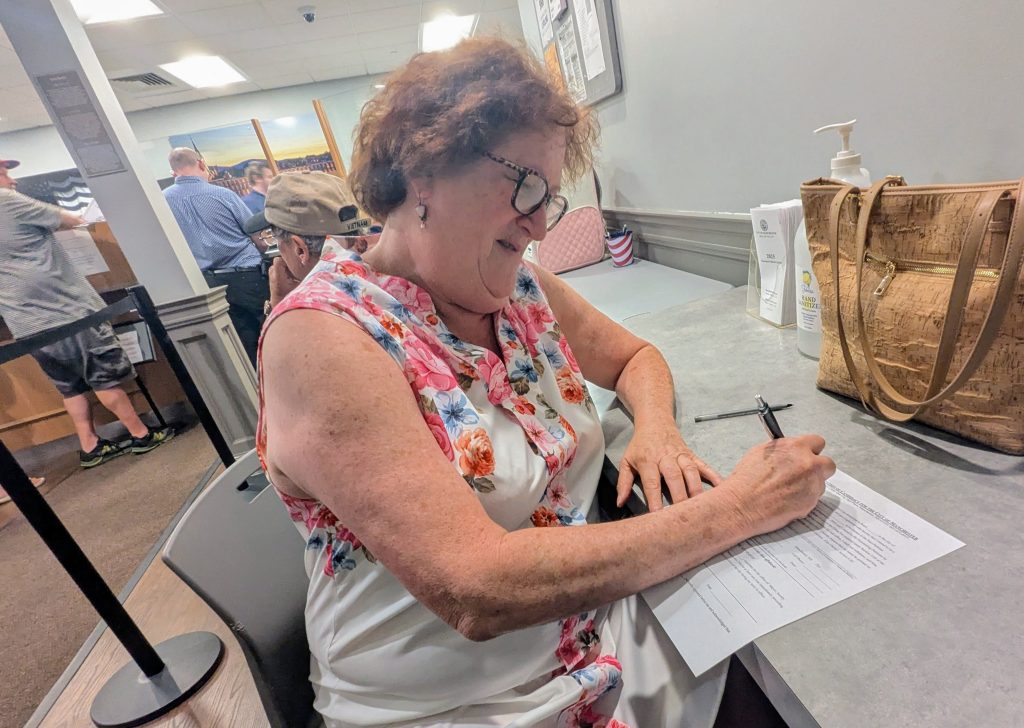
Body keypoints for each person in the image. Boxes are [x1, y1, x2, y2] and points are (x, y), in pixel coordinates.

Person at [258, 39, 833, 727]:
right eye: (523, 183)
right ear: (421, 168)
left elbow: (635, 357)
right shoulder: (322, 338)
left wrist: (656, 431)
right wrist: (740, 507)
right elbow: (476, 587)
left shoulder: (520, 288)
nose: (537, 223)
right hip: (451, 705)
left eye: (549, 196)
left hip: (589, 643)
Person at [0, 158, 174, 468]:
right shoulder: (6, 200)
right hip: (67, 311)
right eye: (4, 174)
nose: (12, 181)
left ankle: (91, 445)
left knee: (69, 386)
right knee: (105, 377)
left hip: (25, 323)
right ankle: (141, 433)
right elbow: (71, 219)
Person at [162, 148, 268, 367]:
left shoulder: (163, 201)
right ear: (202, 164)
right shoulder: (222, 195)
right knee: (267, 333)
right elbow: (256, 235)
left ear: (173, 173)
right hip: (246, 277)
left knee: (241, 344)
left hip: (206, 284)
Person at [241, 170, 372, 310]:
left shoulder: (308, 307)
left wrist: (279, 301)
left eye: (275, 240)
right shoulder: (383, 263)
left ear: (300, 249)